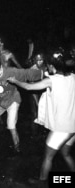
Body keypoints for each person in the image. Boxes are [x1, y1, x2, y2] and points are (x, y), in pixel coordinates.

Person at [7, 52, 75, 183]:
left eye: (48, 65)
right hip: (74, 126)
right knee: (66, 153)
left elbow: (28, 87)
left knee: (48, 157)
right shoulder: (73, 76)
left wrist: (15, 81)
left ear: (51, 66)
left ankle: (42, 181)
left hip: (63, 128)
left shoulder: (51, 81)